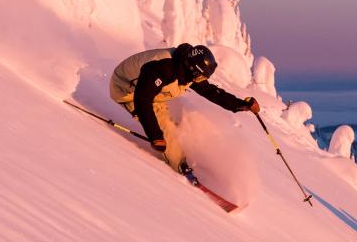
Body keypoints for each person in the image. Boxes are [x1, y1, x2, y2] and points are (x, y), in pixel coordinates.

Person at [109, 43, 260, 181]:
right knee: (167, 134)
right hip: (126, 91)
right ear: (193, 69)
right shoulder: (162, 69)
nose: (201, 80)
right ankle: (183, 169)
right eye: (200, 76)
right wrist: (155, 135)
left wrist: (241, 105)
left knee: (180, 122)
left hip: (151, 93)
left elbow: (211, 92)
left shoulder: (185, 68)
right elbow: (142, 100)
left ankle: (189, 155)